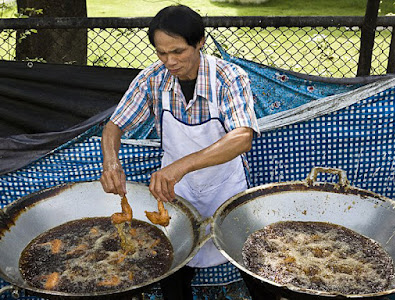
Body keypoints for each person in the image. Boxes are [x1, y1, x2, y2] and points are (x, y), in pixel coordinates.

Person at [100, 4, 276, 300]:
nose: (169, 61)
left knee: (251, 264)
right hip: (175, 194)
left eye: (178, 51)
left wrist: (180, 166)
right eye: (161, 52)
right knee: (174, 268)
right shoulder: (152, 79)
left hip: (225, 190)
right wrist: (111, 163)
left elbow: (242, 138)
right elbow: (113, 128)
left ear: (200, 42)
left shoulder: (229, 77)